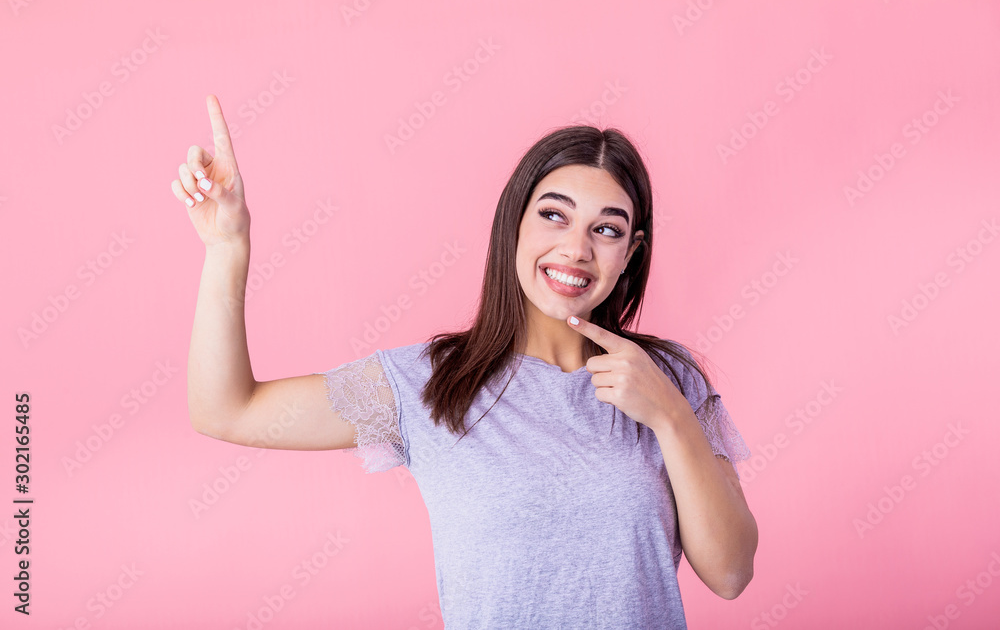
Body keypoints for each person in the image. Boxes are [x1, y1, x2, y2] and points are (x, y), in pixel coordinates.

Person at [175, 93, 757, 629]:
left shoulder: (668, 381)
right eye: (554, 215)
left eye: (606, 229)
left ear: (630, 252)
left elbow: (731, 574)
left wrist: (671, 416)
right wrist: (227, 248)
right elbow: (228, 411)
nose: (576, 248)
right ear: (514, 222)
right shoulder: (428, 382)